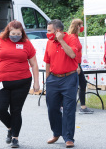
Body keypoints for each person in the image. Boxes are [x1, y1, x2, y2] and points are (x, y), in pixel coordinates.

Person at [0, 20, 39, 148]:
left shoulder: (26, 43)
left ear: (22, 33)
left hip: (22, 82)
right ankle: (10, 127)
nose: (15, 35)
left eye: (18, 33)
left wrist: (36, 82)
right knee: (0, 109)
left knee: (16, 110)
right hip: (2, 81)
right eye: (13, 33)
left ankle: (15, 137)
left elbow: (34, 64)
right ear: (8, 32)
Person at [44, 19, 78, 148]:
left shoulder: (71, 39)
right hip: (53, 78)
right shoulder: (49, 42)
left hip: (69, 78)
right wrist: (47, 79)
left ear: (58, 31)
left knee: (69, 109)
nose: (47, 33)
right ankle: (56, 133)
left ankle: (68, 137)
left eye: (49, 31)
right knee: (52, 107)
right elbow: (47, 61)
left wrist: (61, 40)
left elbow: (73, 54)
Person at [67, 18, 94, 114]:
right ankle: (81, 106)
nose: (83, 27)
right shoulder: (73, 38)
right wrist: (76, 66)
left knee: (79, 84)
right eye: (82, 25)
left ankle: (81, 106)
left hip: (77, 63)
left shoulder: (75, 36)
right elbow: (73, 52)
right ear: (78, 26)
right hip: (75, 64)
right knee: (79, 84)